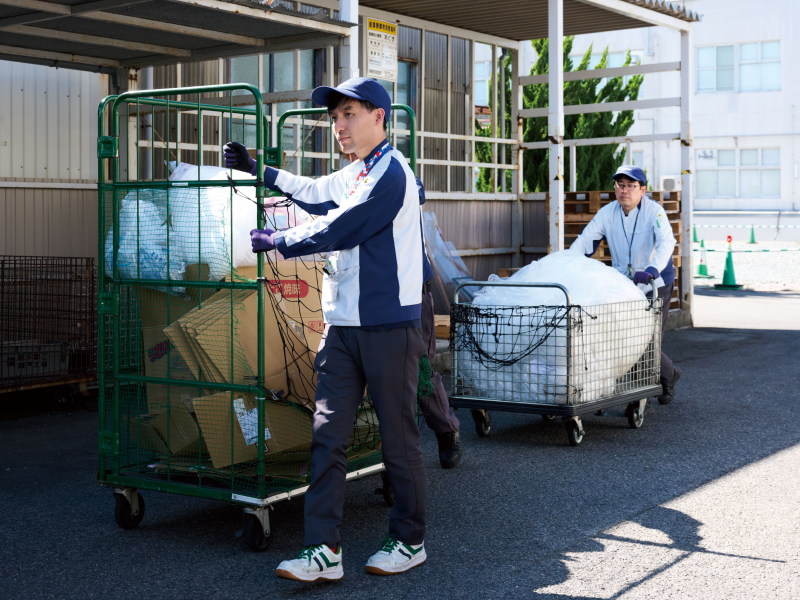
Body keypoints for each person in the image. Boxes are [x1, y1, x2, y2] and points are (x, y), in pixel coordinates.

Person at [224, 77, 427, 582]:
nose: (339, 125)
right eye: (335, 117)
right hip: (342, 325)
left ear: (380, 117)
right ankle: (322, 549)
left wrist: (279, 240)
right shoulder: (359, 172)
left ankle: (409, 538)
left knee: (397, 439)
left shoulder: (392, 174)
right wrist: (258, 169)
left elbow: (344, 225)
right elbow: (316, 194)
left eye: (349, 114)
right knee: (327, 435)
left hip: (387, 324)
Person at [568, 165, 681, 405]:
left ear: (642, 190)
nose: (625, 190)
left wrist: (652, 268)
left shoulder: (654, 211)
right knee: (625, 337)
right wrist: (568, 263)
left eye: (631, 186)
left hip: (655, 281)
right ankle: (640, 391)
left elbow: (666, 242)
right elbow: (585, 241)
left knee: (648, 342)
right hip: (624, 284)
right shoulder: (607, 213)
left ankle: (667, 376)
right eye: (620, 185)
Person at [416, 178, 462, 469]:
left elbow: (416, 190)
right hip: (367, 298)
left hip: (410, 294)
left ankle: (446, 430)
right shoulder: (348, 180)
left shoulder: (398, 175)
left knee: (419, 367)